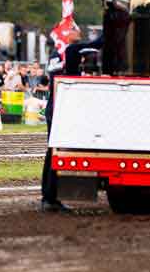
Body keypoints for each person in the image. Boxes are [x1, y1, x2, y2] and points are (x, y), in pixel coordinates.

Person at [41, 26, 104, 212]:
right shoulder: (69, 51)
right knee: (55, 153)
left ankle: (49, 196)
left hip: (58, 107)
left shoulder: (59, 54)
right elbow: (95, 44)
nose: (78, 31)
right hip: (60, 108)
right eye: (73, 29)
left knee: (53, 153)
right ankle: (49, 197)